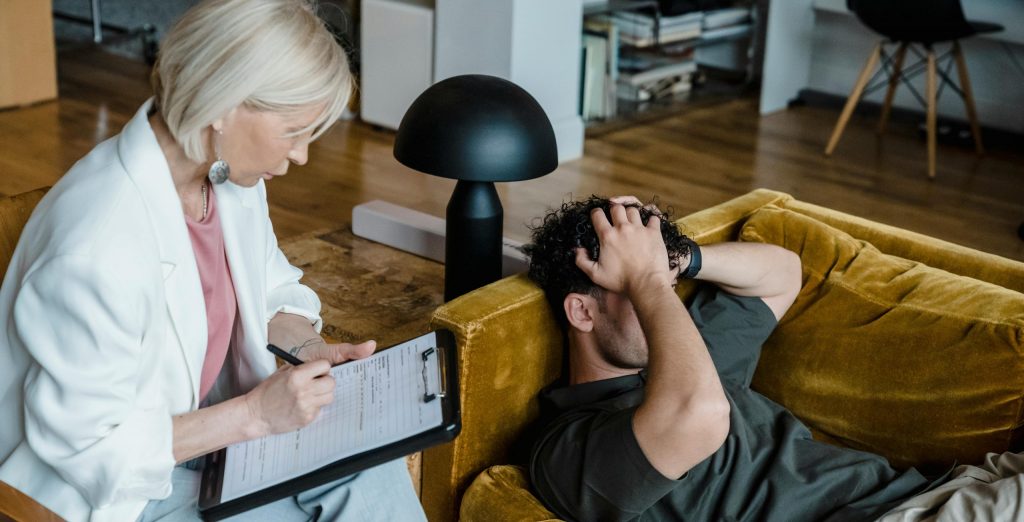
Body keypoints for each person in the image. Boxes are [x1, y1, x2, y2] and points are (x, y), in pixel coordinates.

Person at [0, 1, 425, 521]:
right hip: (114, 493)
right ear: (223, 105)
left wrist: (310, 349)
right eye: (294, 131)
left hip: (212, 440)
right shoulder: (96, 248)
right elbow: (90, 449)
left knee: (370, 460)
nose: (301, 157)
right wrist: (254, 416)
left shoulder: (224, 178)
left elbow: (267, 291)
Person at [522, 195, 945, 521]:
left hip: (933, 492)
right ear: (582, 312)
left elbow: (782, 275)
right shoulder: (565, 449)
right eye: (635, 289)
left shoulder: (680, 354)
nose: (664, 305)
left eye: (666, 289)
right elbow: (699, 413)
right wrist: (646, 278)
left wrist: (677, 260)